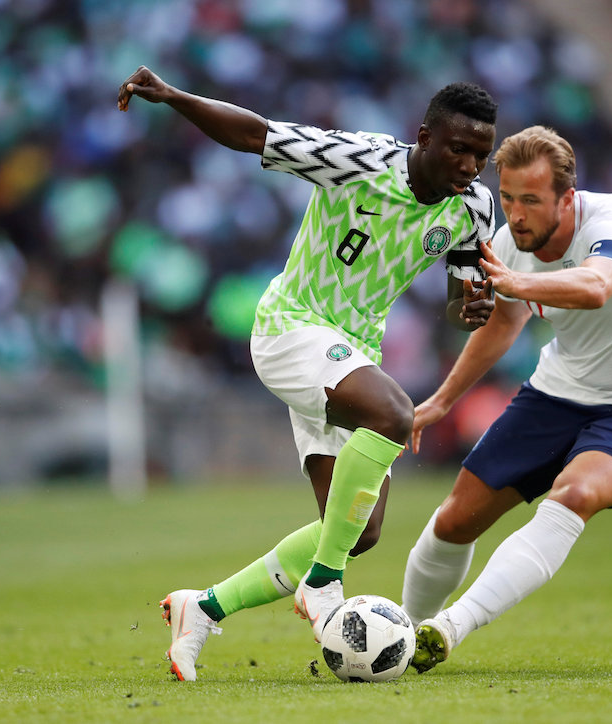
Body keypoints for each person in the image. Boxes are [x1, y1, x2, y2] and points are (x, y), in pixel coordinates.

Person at [117, 67, 499, 681]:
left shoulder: (475, 209)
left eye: (481, 154)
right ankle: (322, 585)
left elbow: (459, 302)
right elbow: (254, 135)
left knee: (358, 530)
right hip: (290, 328)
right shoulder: (358, 159)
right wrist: (175, 97)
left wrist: (469, 310)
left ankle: (203, 608)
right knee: (395, 415)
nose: (470, 165)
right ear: (424, 137)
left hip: (350, 356)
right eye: (459, 148)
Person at [401, 125, 612, 672]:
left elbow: (596, 287)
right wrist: (441, 400)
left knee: (575, 492)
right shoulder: (511, 241)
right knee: (454, 521)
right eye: (507, 197)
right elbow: (502, 323)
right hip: (555, 394)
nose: (514, 214)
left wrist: (516, 283)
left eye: (530, 200)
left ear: (567, 198)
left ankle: (450, 627)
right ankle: (401, 639)